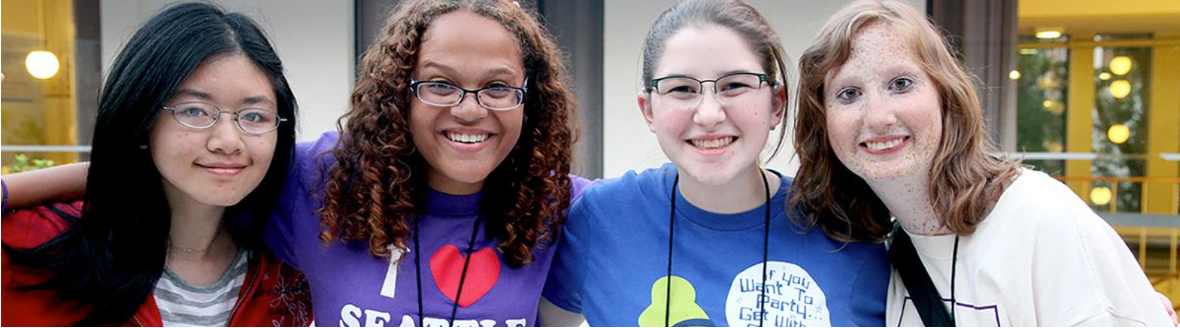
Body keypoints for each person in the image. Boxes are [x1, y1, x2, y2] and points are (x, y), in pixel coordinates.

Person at [791, 0, 1175, 326]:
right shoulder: (880, 253)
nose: (877, 116)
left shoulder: (1040, 218)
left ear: (946, 95)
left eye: (901, 84)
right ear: (822, 122)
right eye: (849, 93)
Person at [540, 0, 890, 326]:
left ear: (777, 104)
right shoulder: (600, 219)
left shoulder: (845, 231)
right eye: (682, 89)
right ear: (649, 110)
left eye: (735, 85)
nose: (708, 114)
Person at [265, 0, 591, 326]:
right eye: (439, 84)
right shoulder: (319, 180)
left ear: (527, 99)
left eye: (497, 87)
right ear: (399, 94)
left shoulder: (564, 208)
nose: (469, 111)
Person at [1, 3, 311, 327]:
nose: (228, 141)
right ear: (141, 123)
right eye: (194, 111)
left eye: (253, 116)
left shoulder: (293, 264)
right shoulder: (34, 245)